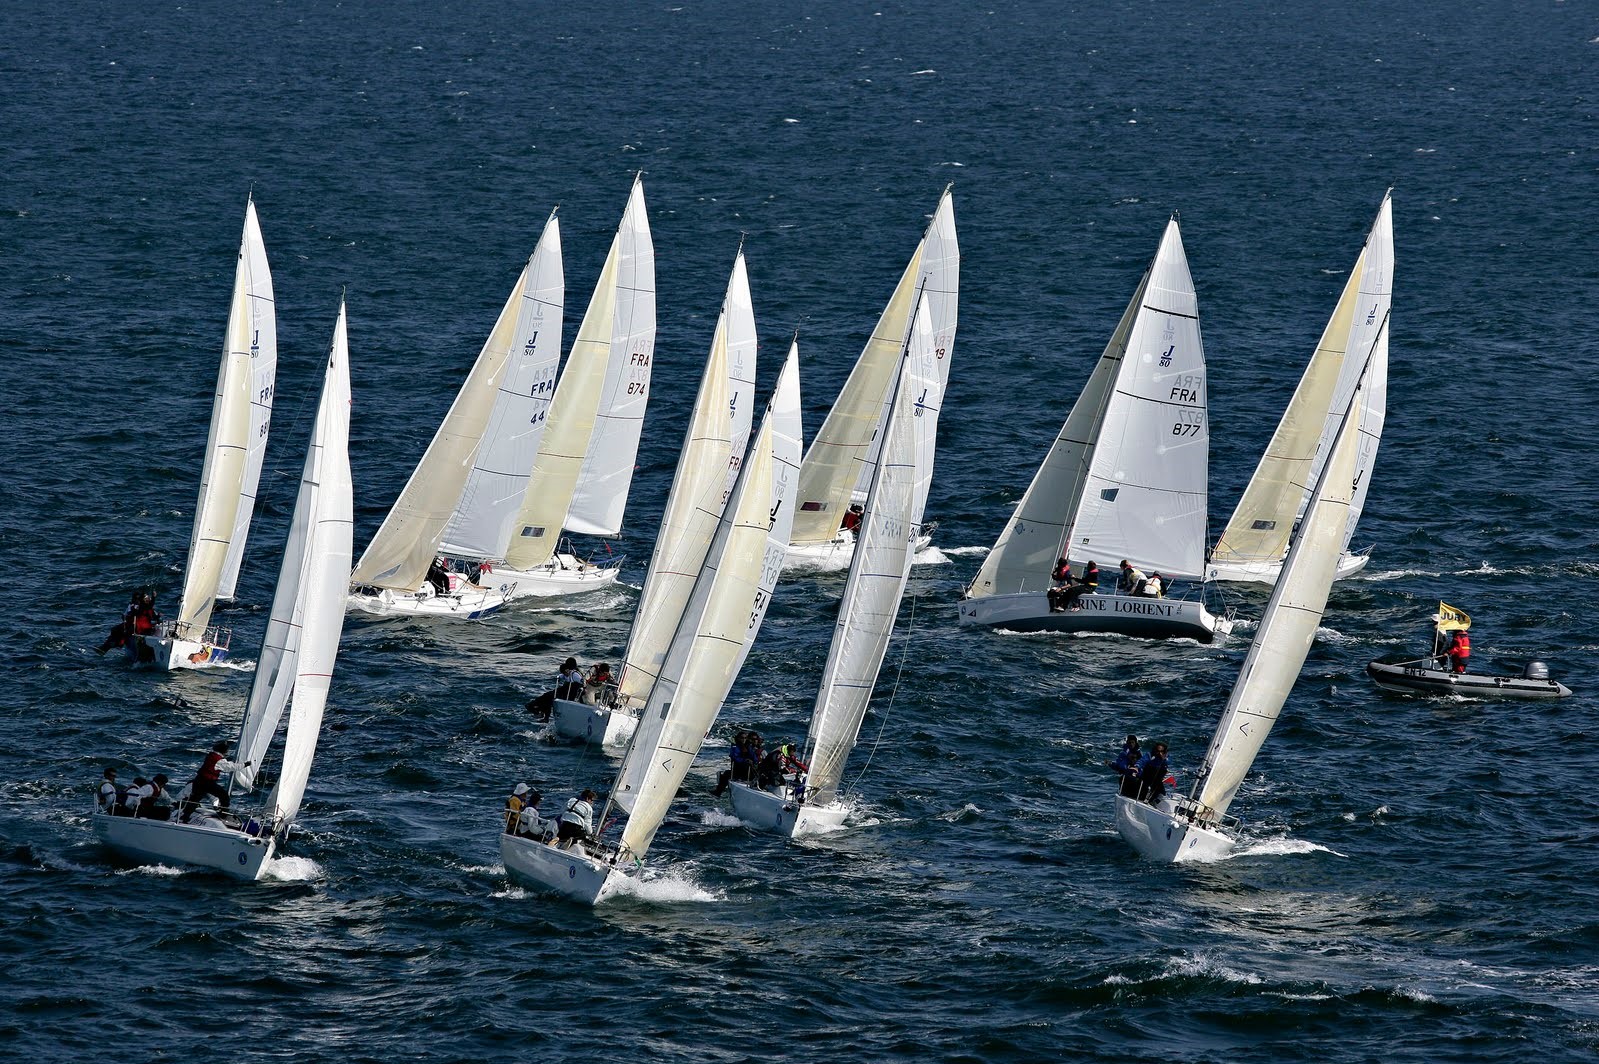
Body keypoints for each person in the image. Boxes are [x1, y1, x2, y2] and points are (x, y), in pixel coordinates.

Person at [181, 741, 234, 822]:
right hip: (207, 781)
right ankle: (223, 813)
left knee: (195, 798)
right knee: (224, 796)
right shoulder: (218, 758)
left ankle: (185, 816)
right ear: (223, 751)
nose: (227, 752)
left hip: (200, 780)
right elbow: (227, 768)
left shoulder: (212, 755)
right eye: (227, 751)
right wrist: (243, 765)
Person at [714, 730, 748, 796]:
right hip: (740, 769)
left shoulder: (747, 747)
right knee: (726, 773)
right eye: (742, 738)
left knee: (726, 774)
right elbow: (735, 757)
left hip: (743, 770)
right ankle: (718, 791)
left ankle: (718, 792)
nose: (744, 739)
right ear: (738, 738)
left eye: (745, 738)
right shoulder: (735, 747)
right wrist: (744, 760)